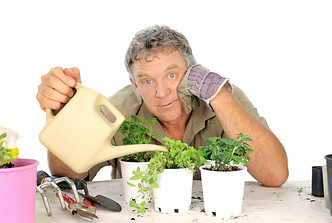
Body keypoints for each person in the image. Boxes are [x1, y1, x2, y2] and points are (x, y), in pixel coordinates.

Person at [36, 25, 288, 187]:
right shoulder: (117, 111)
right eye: (147, 81)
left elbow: (275, 175)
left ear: (191, 72)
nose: (161, 92)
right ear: (135, 86)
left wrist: (219, 97)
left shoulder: (221, 97)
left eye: (171, 75)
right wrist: (66, 119)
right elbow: (68, 176)